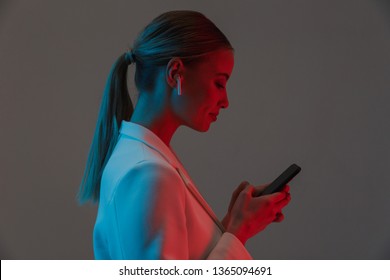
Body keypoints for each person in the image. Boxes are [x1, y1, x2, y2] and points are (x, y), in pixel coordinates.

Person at [77, 10, 291, 260]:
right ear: (175, 72)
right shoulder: (149, 173)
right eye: (219, 83)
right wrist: (238, 232)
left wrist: (230, 225)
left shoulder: (140, 158)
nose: (225, 101)